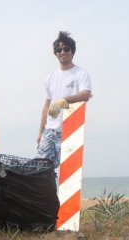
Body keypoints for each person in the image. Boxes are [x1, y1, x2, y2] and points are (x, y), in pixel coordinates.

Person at [36, 31, 92, 168]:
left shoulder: (80, 74)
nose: (63, 52)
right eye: (59, 49)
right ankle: (49, 190)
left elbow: (86, 94)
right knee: (41, 168)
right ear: (55, 54)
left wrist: (63, 101)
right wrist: (40, 132)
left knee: (69, 169)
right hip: (49, 130)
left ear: (72, 52)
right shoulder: (50, 77)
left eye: (66, 49)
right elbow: (46, 105)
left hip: (71, 128)